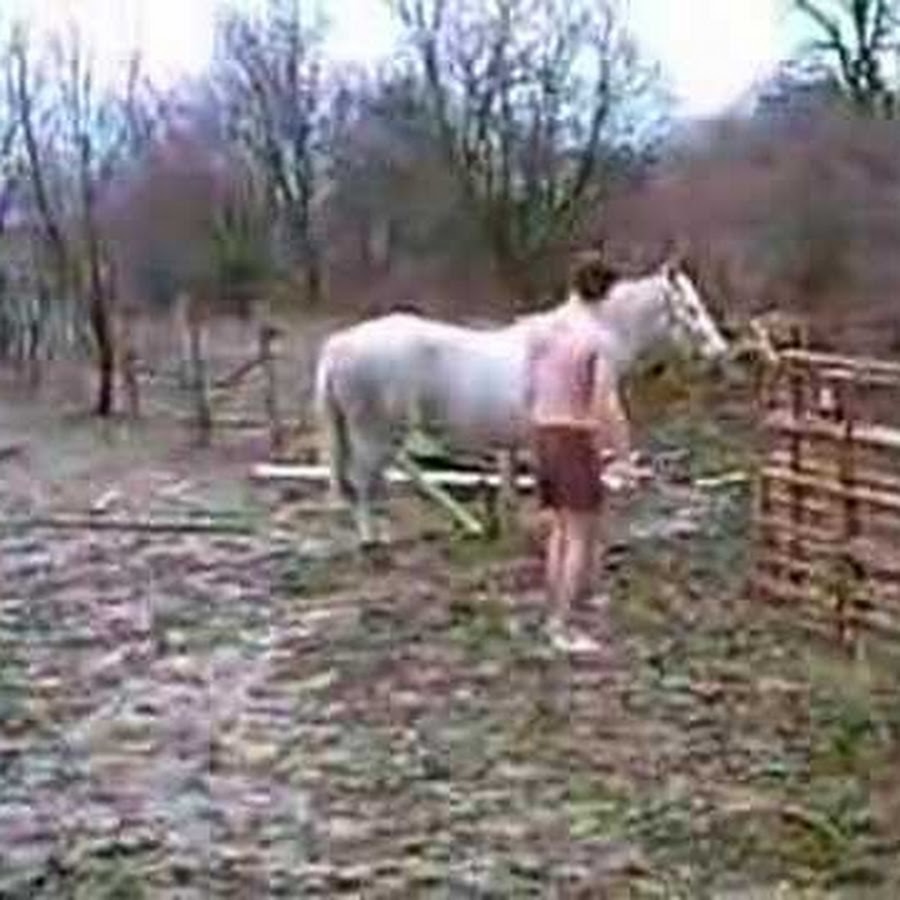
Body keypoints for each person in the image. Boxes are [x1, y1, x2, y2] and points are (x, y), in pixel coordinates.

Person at [524, 250, 635, 652]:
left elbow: (528, 386)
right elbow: (604, 402)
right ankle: (562, 625)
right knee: (579, 536)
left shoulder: (540, 329)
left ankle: (554, 615)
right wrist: (622, 454)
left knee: (559, 530)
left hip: (543, 430)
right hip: (574, 434)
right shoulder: (598, 338)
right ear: (606, 294)